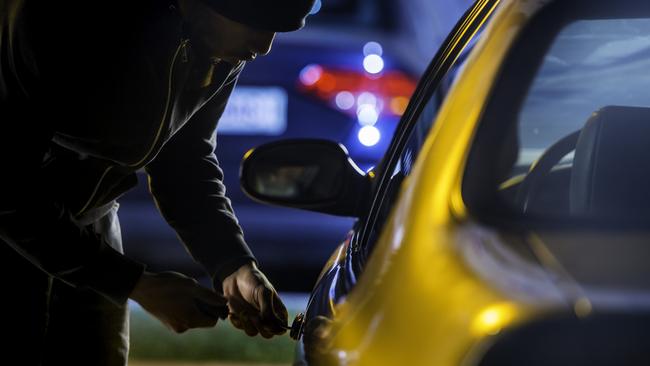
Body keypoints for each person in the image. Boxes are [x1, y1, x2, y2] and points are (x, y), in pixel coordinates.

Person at [0, 0, 316, 364]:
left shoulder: (222, 46)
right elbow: (5, 183)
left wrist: (231, 264)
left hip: (93, 229)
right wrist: (135, 284)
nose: (264, 46)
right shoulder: (57, 19)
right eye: (258, 22)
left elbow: (184, 158)